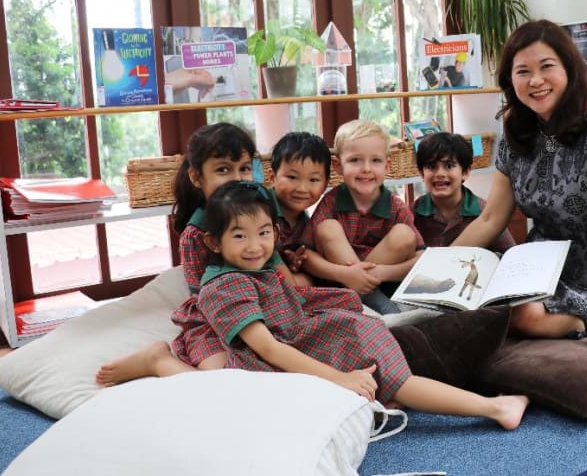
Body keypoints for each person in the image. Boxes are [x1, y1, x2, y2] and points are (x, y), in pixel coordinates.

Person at [130, 181, 530, 428]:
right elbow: (267, 348)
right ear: (215, 243)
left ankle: (492, 406)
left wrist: (341, 301)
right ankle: (160, 362)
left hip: (297, 338)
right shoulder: (222, 288)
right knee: (219, 392)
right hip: (265, 356)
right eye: (240, 236)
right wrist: (337, 378)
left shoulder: (262, 272)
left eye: (264, 233)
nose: (256, 246)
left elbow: (291, 301)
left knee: (390, 367)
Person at [452, 19, 587, 370]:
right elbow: (491, 218)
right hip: (535, 270)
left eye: (546, 66)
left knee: (523, 314)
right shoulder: (514, 138)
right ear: (511, 82)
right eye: (523, 71)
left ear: (570, 70)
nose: (535, 80)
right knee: (476, 290)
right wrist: (439, 267)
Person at [97, 122, 268, 384]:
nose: (237, 178)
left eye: (244, 169)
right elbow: (203, 296)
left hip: (258, 305)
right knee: (223, 381)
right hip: (214, 317)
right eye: (223, 170)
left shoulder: (257, 209)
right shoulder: (196, 234)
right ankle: (157, 360)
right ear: (197, 178)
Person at [300, 119, 424, 315]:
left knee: (404, 234)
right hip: (340, 282)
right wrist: (347, 274)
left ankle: (367, 301)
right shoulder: (331, 202)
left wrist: (378, 273)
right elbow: (306, 255)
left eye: (375, 160)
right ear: (338, 165)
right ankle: (388, 311)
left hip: (382, 281)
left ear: (387, 165)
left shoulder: (395, 206)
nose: (366, 169)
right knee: (327, 228)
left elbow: (420, 258)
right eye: (355, 160)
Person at [412, 131, 516, 253]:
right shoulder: (412, 214)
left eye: (449, 166)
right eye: (431, 166)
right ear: (421, 173)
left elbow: (509, 254)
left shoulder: (483, 212)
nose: (440, 173)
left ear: (465, 172)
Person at [263, 131, 333, 284]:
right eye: (292, 177)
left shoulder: (307, 222)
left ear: (326, 184)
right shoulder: (260, 209)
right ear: (272, 177)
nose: (302, 188)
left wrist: (294, 262)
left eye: (313, 179)